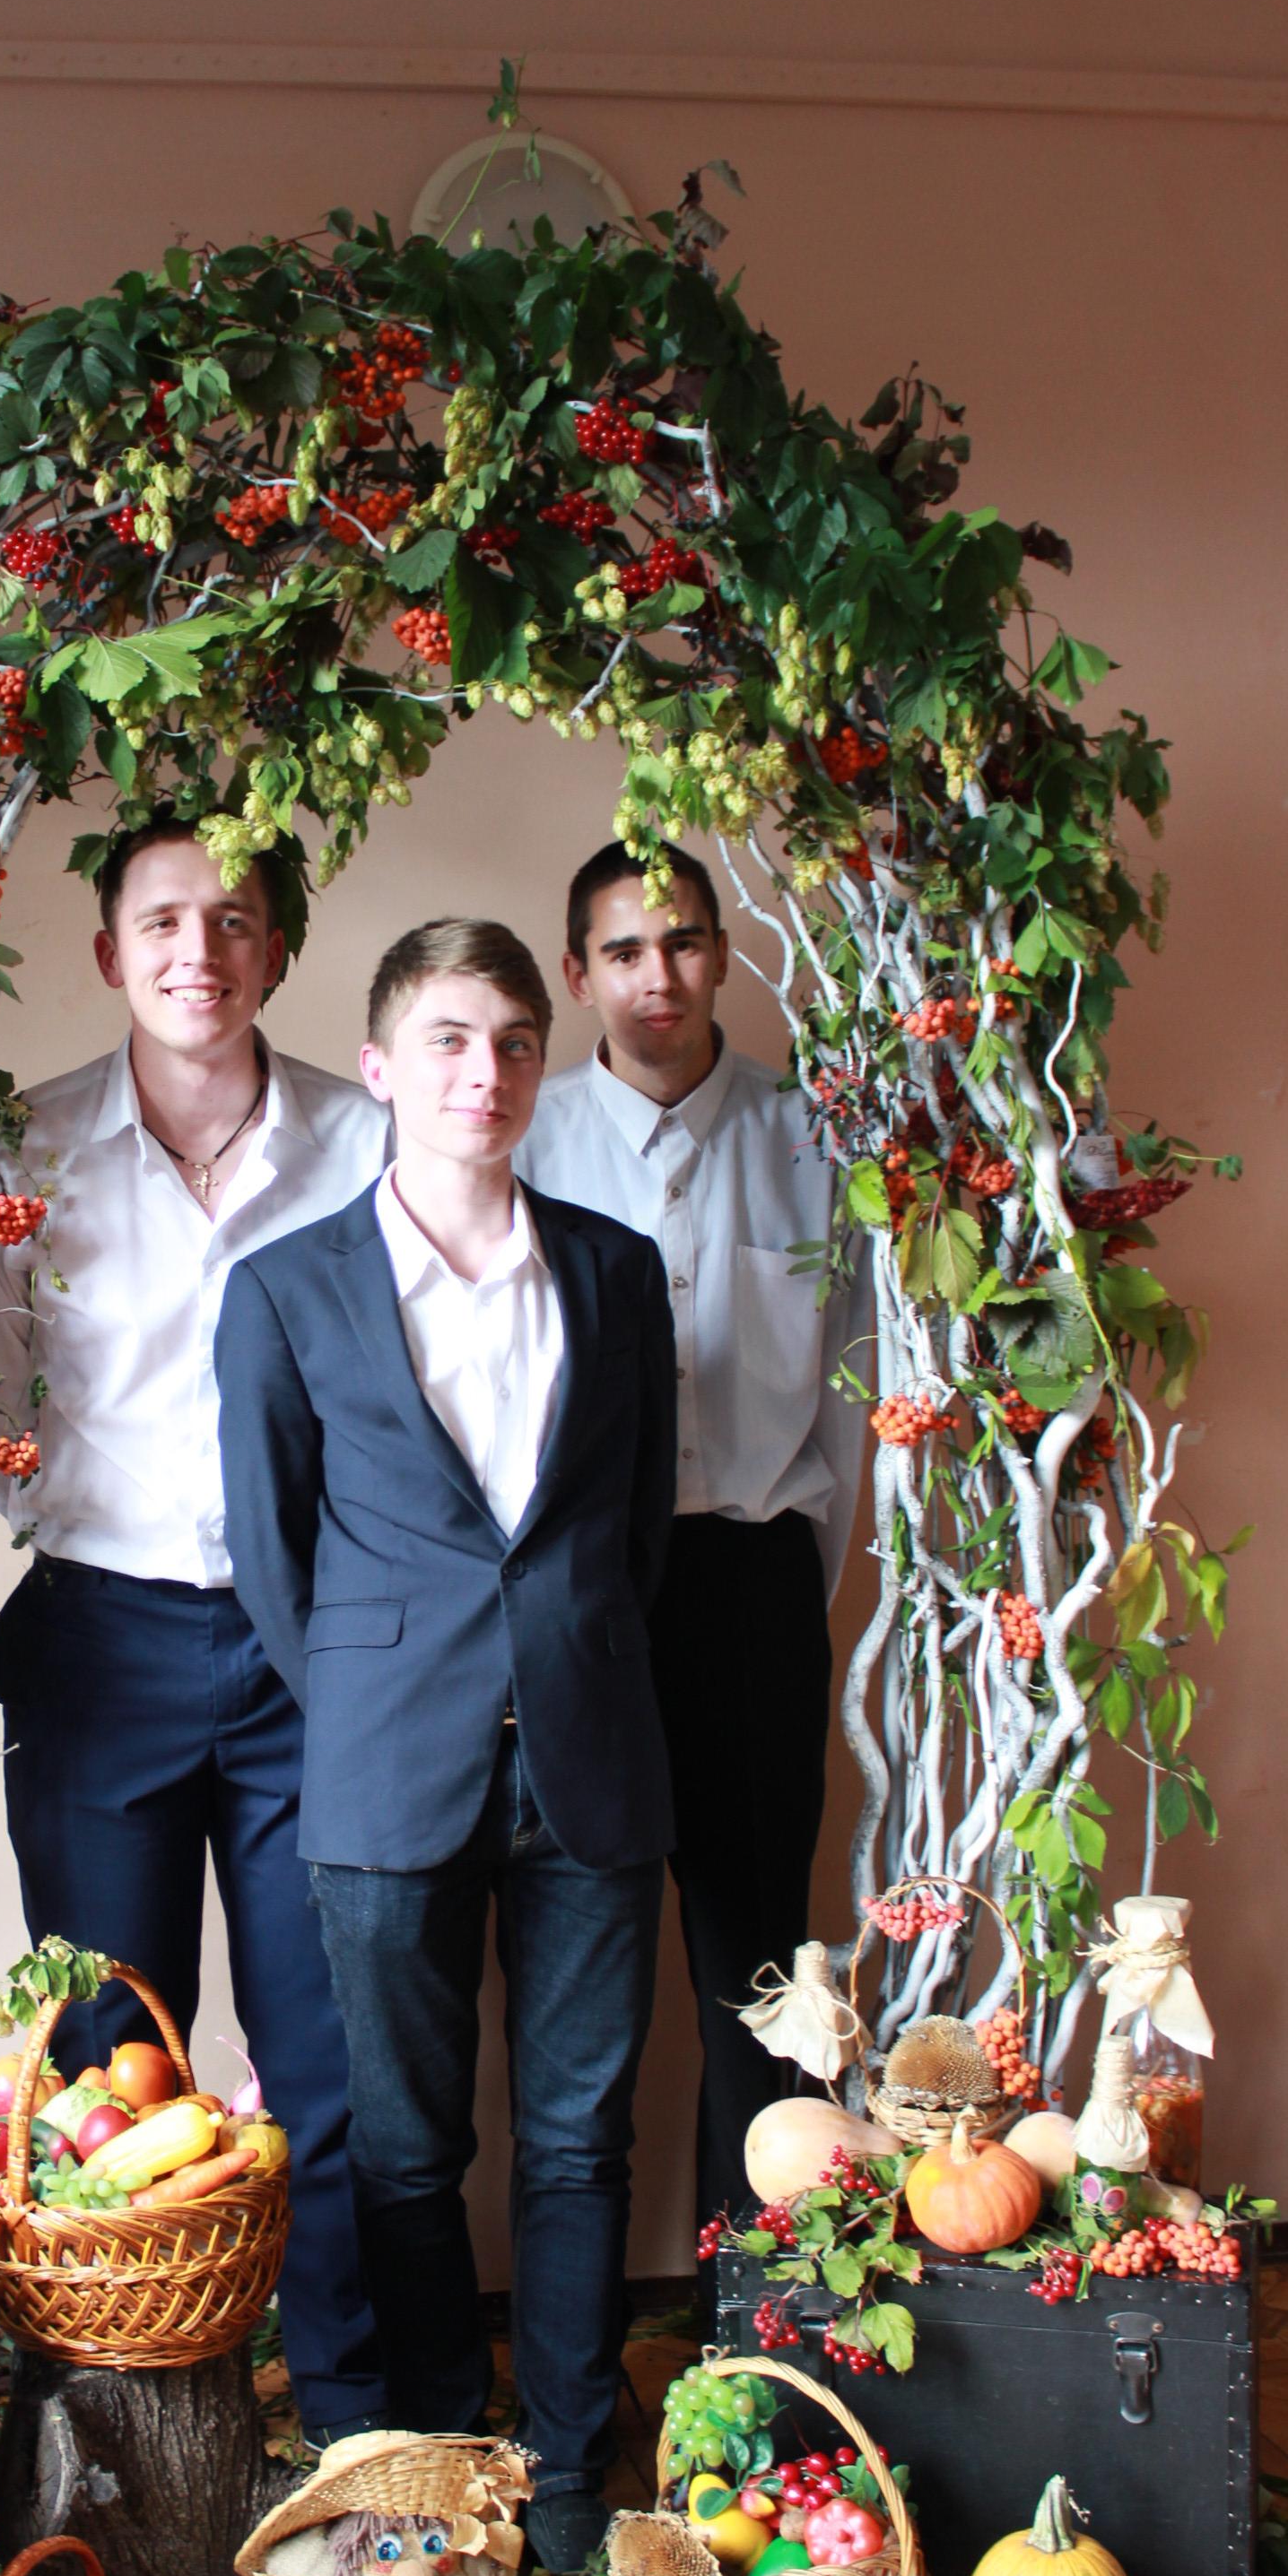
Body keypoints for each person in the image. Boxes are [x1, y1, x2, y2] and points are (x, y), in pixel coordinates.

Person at [214, 920, 677, 2571]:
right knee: (405, 2155)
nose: (487, 1074)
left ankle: (566, 2470)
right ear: (383, 1063)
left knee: (579, 2144)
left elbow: (636, 1534)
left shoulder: (616, 1273)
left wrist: (563, 1662)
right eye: (451, 1041)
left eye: (515, 1043)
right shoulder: (284, 1291)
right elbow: (273, 1559)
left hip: (593, 1758)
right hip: (385, 1768)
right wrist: (381, 1690)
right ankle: (430, 2461)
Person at [0, 815, 387, 2444]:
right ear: (108, 954)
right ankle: (127, 2432)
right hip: (102, 1642)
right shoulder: (27, 1148)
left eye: (230, 920)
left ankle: (352, 2419)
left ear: (276, 949)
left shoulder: (365, 1140)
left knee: (329, 2053)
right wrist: (64, 1509)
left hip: (314, 1648)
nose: (195, 952)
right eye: (160, 922)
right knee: (103, 2054)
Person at [517, 840, 870, 2244]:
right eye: (622, 950)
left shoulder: (817, 1139)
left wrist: (789, 1589)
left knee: (759, 1965)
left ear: (722, 954)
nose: (654, 976)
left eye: (680, 943)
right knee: (573, 1962)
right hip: (579, 1589)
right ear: (577, 973)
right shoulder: (522, 1139)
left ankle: (765, 2299)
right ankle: (575, 2320)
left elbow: (853, 1395)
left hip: (748, 1585)